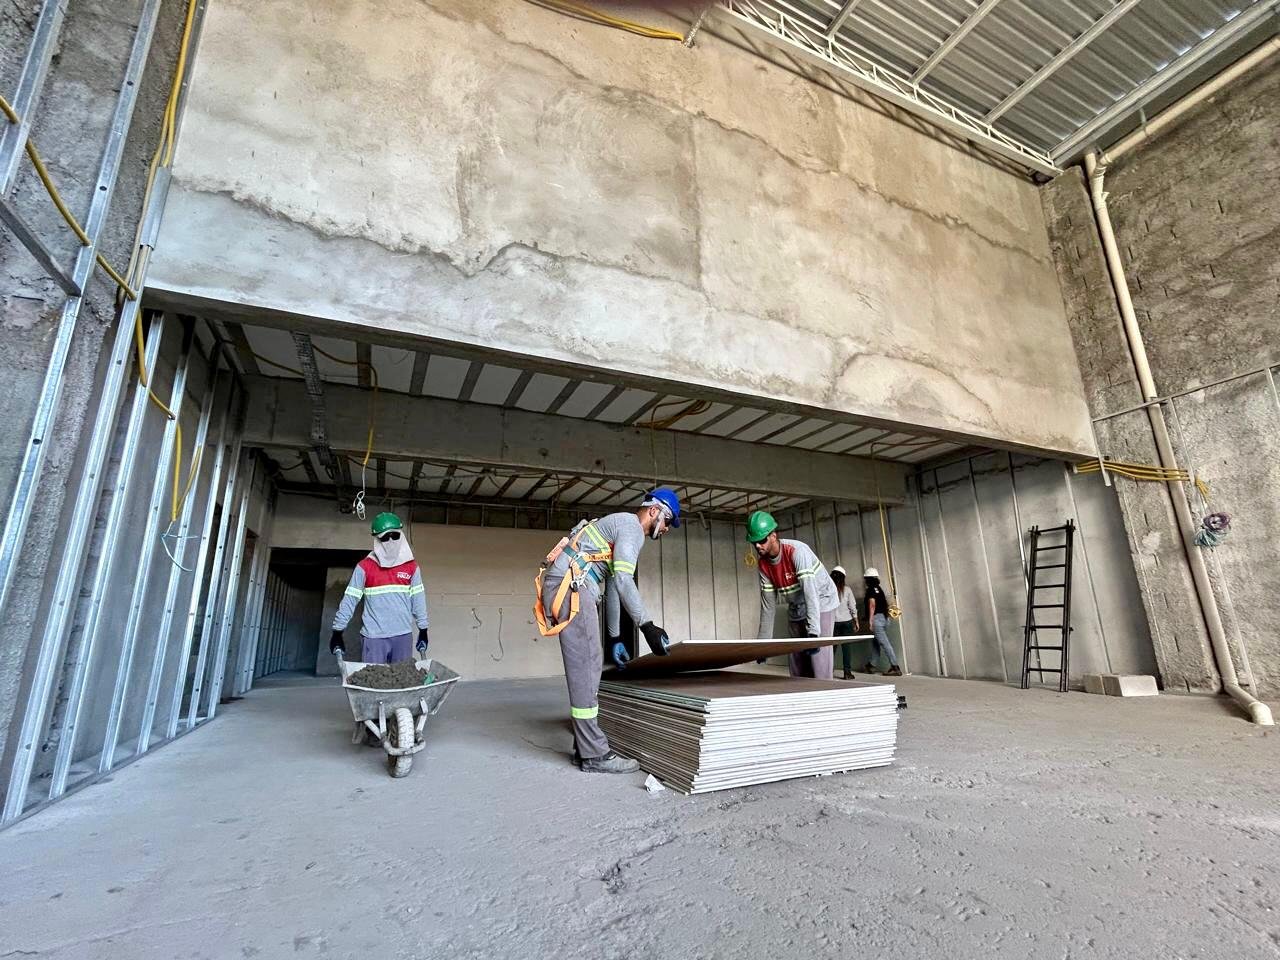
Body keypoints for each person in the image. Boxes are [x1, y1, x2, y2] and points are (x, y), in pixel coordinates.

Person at [534, 488, 681, 774]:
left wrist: (614, 636)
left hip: (568, 586)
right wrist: (647, 626)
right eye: (667, 521)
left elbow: (613, 586)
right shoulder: (632, 528)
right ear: (654, 511)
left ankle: (584, 748)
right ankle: (594, 754)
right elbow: (624, 581)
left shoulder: (620, 527)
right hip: (572, 588)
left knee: (589, 664)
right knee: (587, 667)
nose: (666, 529)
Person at [746, 510, 839, 680]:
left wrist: (813, 632)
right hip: (796, 604)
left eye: (762, 540)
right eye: (754, 542)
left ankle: (824, 688)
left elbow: (810, 592)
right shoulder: (763, 565)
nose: (758, 546)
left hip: (821, 600)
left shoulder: (796, 551)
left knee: (818, 658)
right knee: (796, 656)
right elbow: (767, 607)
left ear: (773, 536)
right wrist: (762, 646)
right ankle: (799, 691)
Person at [329, 512, 429, 663]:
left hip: (402, 636)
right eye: (385, 537)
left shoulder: (411, 568)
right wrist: (338, 631)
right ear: (377, 539)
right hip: (374, 638)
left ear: (401, 535)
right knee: (373, 677)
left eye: (394, 535)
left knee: (402, 677)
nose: (391, 541)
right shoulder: (364, 567)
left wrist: (423, 629)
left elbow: (418, 600)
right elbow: (350, 600)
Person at [862, 567, 902, 677]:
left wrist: (870, 620)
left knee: (885, 643)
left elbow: (872, 604)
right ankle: (871, 665)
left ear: (867, 579)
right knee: (876, 642)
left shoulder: (870, 590)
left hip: (877, 620)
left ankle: (895, 667)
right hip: (884, 619)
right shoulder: (879, 589)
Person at [830, 565, 861, 680]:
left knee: (831, 649)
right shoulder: (847, 590)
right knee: (846, 648)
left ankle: (828, 672)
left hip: (833, 623)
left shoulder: (827, 589)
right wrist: (856, 620)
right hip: (847, 622)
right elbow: (852, 606)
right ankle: (847, 673)